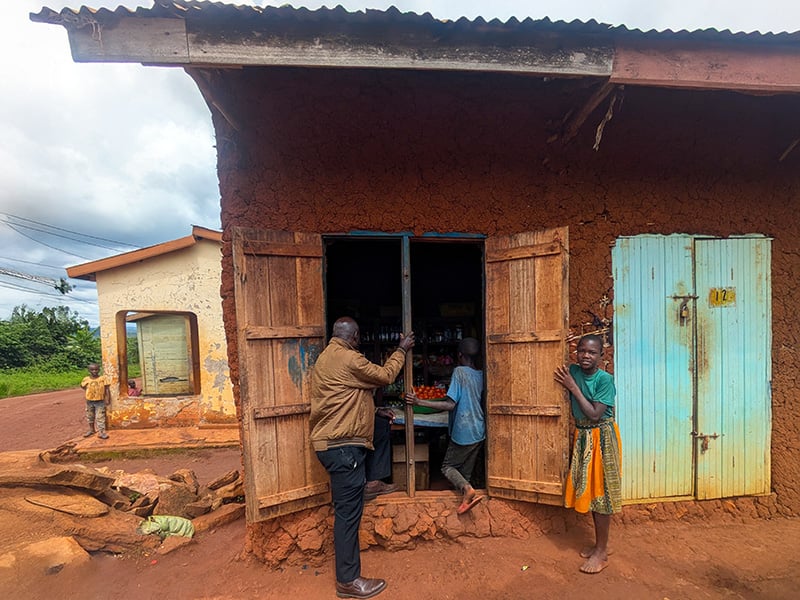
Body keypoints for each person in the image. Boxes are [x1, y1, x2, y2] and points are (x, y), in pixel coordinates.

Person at [310, 317, 414, 600]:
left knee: (381, 426)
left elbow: (345, 396)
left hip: (335, 443)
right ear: (355, 336)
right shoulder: (350, 359)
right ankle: (348, 581)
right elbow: (385, 376)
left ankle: (372, 483)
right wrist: (401, 349)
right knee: (347, 515)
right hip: (342, 448)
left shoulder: (328, 357)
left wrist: (374, 411)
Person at [553, 334, 622, 575]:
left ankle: (602, 553)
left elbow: (594, 414)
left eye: (592, 352)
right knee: (592, 493)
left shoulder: (605, 380)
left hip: (601, 437)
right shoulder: (573, 369)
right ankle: (599, 545)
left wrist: (572, 387)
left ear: (601, 357)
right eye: (581, 351)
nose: (585, 356)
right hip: (583, 436)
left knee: (601, 494)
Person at [405, 337, 485, 515]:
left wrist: (420, 401)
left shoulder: (459, 372)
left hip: (464, 430)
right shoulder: (481, 374)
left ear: (459, 355)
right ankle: (466, 497)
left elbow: (450, 404)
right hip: (479, 429)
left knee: (447, 467)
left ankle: (467, 489)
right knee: (465, 472)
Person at [81, 363, 111, 440]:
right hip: (89, 401)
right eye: (92, 370)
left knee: (100, 417)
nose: (94, 371)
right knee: (90, 415)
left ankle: (101, 432)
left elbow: (107, 389)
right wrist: (89, 392)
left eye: (96, 369)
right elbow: (82, 386)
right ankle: (92, 430)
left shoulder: (103, 378)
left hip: (100, 401)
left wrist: (108, 399)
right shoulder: (86, 379)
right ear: (89, 370)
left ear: (99, 370)